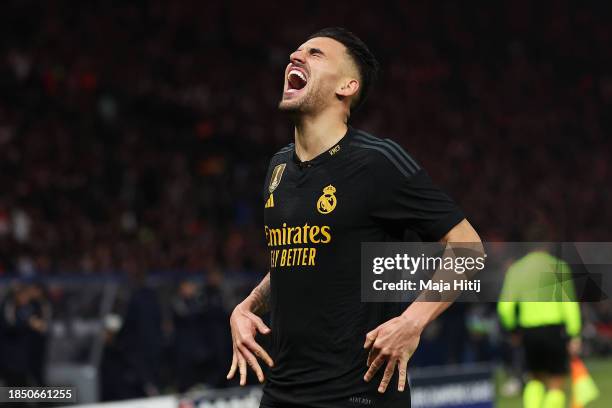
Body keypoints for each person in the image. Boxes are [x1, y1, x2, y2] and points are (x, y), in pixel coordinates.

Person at [227, 27, 481, 408]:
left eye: (315, 54)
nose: (295, 57)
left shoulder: (378, 161)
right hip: (282, 393)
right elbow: (297, 257)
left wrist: (413, 321)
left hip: (358, 395)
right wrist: (246, 306)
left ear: (346, 86)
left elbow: (468, 248)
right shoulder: (278, 166)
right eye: (295, 51)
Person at [498, 249, 582, 408]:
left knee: (534, 378)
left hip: (529, 333)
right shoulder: (559, 266)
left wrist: (512, 330)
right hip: (554, 331)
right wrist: (574, 333)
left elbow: (505, 307)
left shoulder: (517, 268)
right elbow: (570, 306)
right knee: (556, 383)